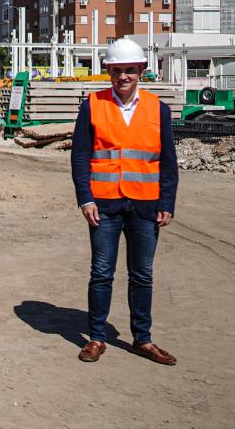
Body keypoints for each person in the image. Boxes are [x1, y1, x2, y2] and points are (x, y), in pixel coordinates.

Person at [71, 38, 178, 366]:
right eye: (117, 70)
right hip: (104, 204)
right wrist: (85, 199)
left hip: (144, 205)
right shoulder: (93, 104)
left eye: (129, 70)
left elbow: (168, 162)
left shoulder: (157, 109)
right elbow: (80, 155)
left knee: (142, 274)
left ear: (141, 71)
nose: (123, 77)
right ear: (108, 71)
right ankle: (97, 338)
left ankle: (142, 339)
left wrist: (167, 202)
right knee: (101, 272)